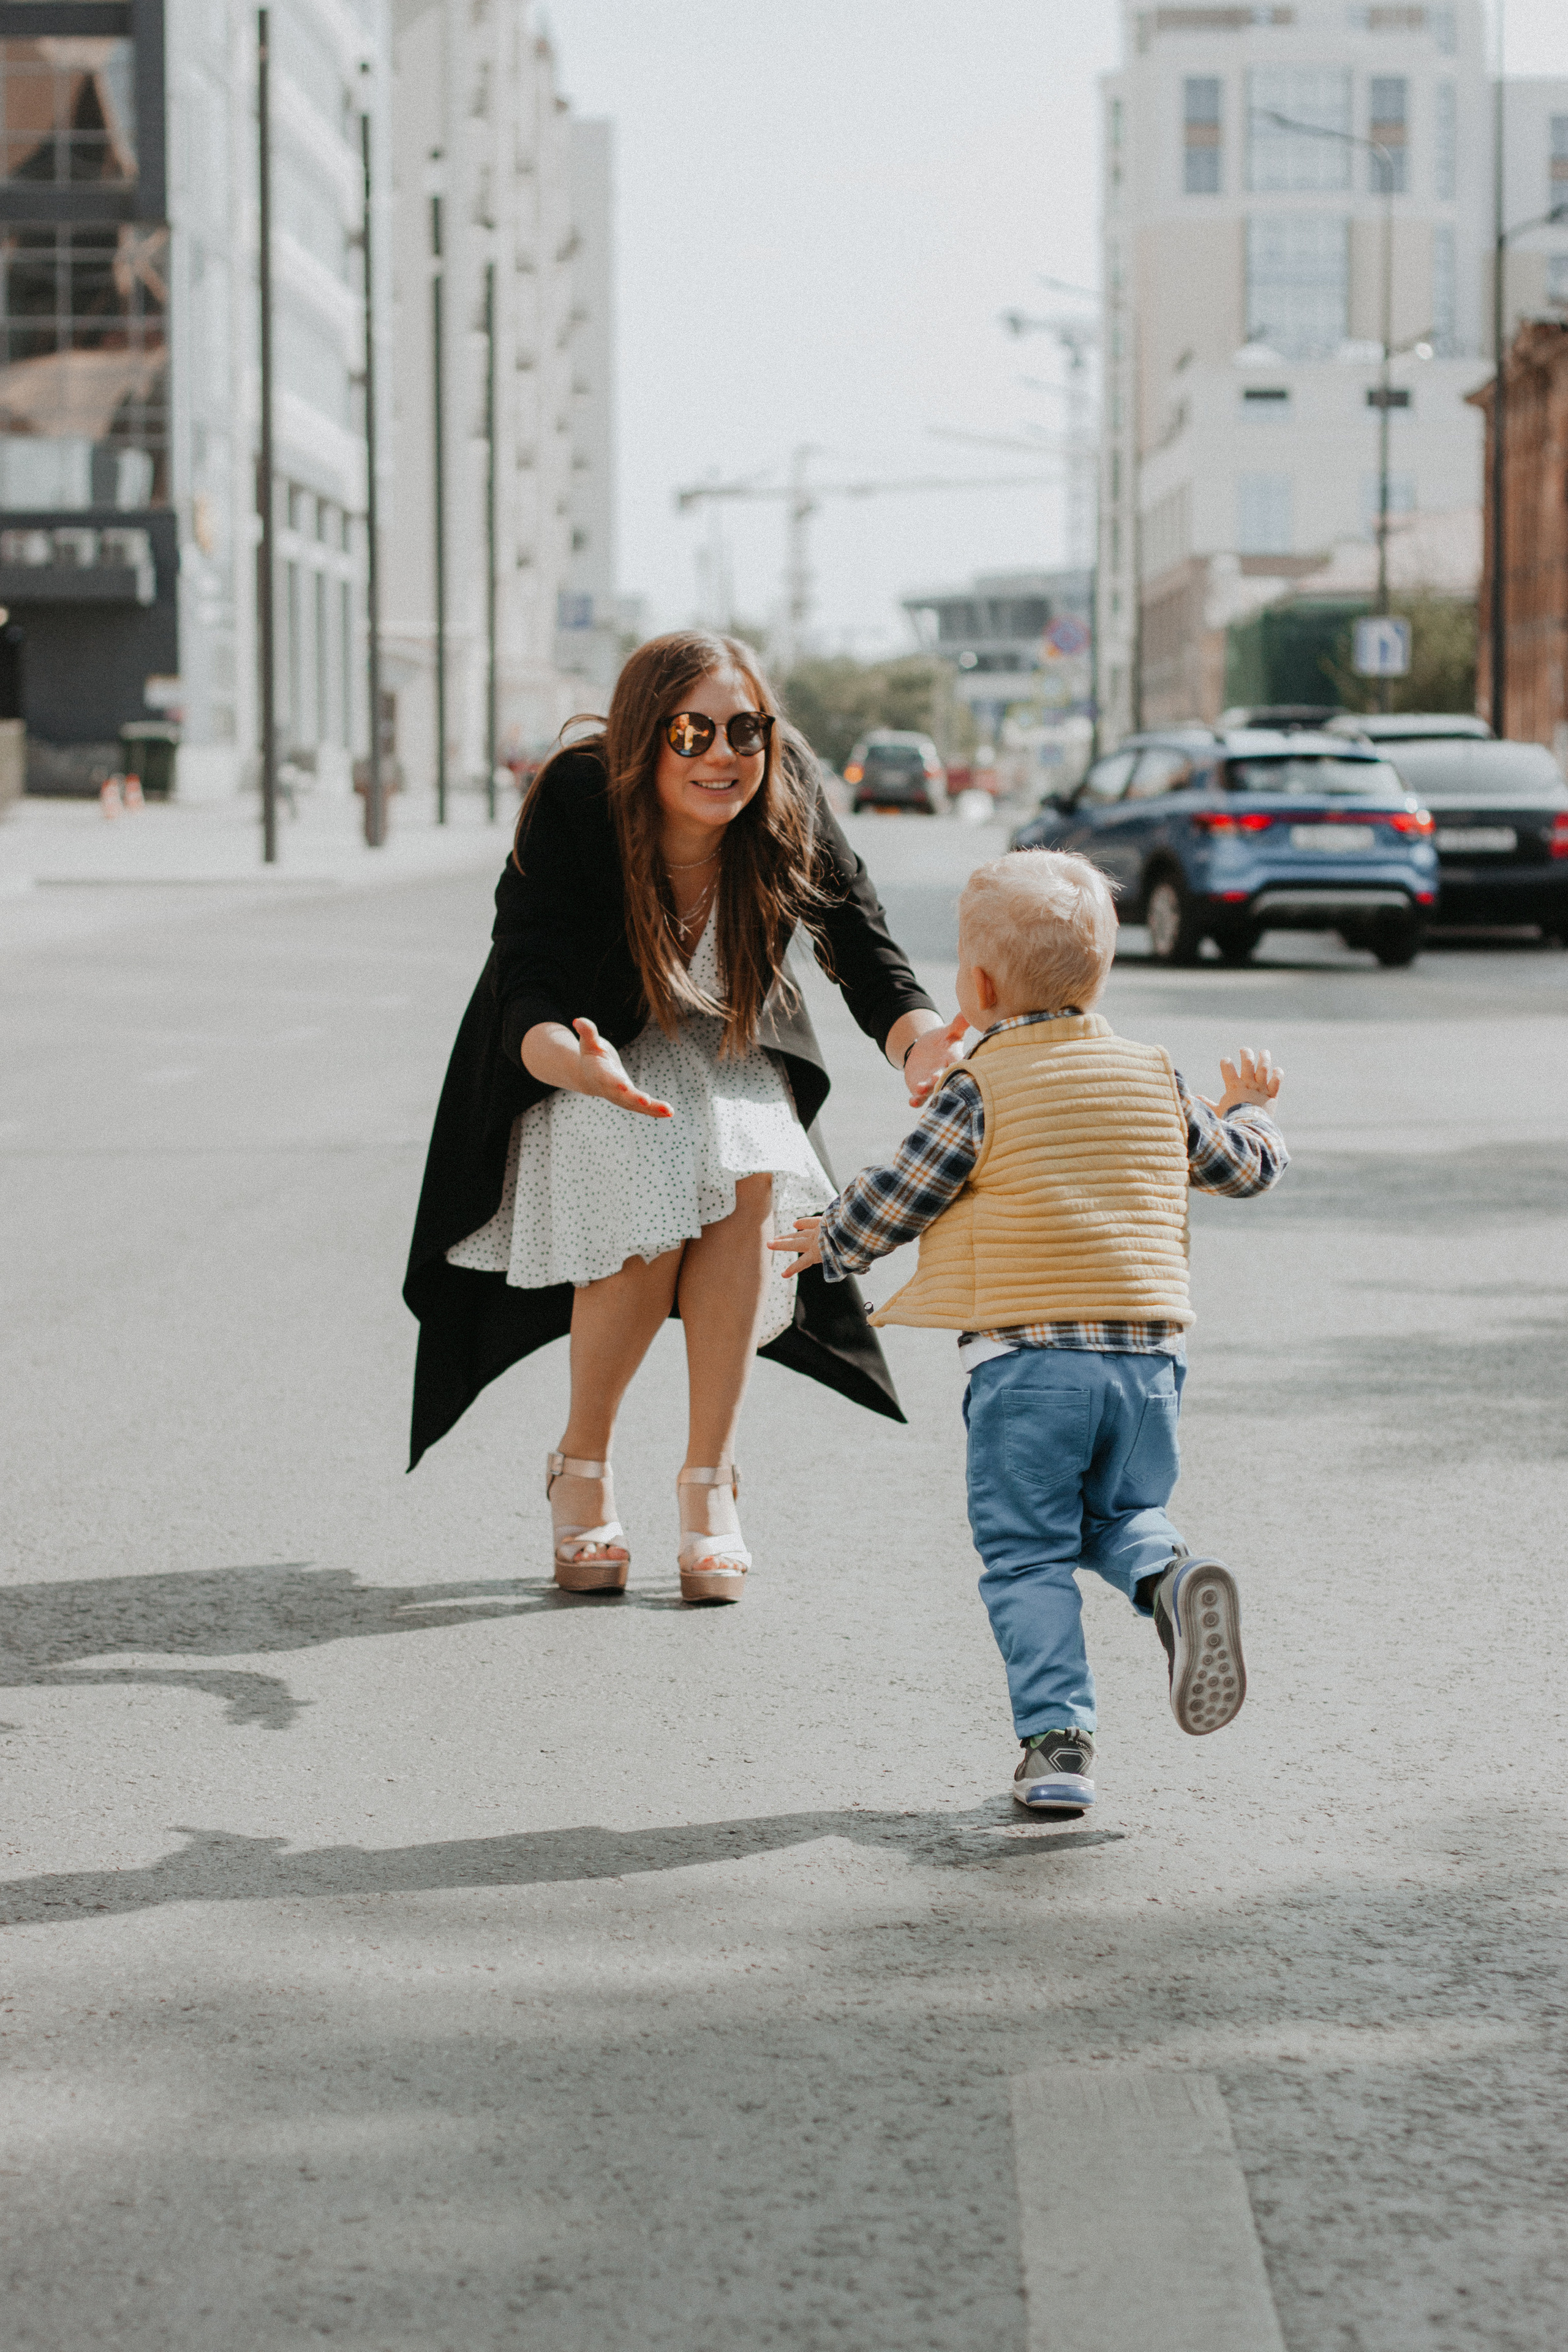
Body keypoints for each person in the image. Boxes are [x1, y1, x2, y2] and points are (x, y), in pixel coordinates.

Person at [403, 631, 956, 1604]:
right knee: (647, 1169)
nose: (724, 755)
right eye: (692, 731)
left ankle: (711, 1484)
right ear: (641, 738)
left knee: (750, 1171)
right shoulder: (576, 797)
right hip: (586, 1050)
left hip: (729, 1040)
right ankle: (582, 1463)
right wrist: (571, 1064)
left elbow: (862, 945)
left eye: (746, 729)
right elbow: (523, 970)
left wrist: (920, 1046)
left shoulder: (784, 789)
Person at [771, 849, 1287, 1811]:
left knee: (1029, 1554)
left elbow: (903, 1196)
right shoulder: (1156, 1076)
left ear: (976, 985)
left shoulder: (979, 1087)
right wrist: (1248, 1107)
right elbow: (1244, 1168)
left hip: (1027, 1373)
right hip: (1149, 1367)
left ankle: (1058, 1745)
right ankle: (1168, 1577)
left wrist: (828, 1241)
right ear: (1104, 973)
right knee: (1122, 1516)